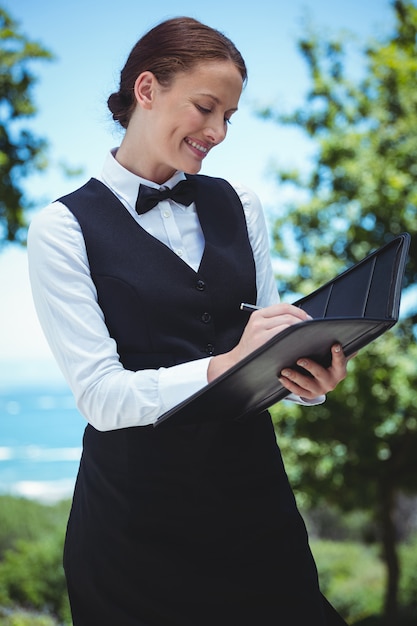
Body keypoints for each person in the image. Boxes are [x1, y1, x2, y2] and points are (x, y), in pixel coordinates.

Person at [28, 16, 349, 626]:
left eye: (229, 116)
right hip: (134, 535)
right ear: (146, 90)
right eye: (206, 108)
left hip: (255, 514)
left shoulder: (241, 205)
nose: (218, 131)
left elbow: (266, 347)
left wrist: (305, 380)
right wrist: (224, 366)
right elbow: (99, 395)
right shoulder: (61, 229)